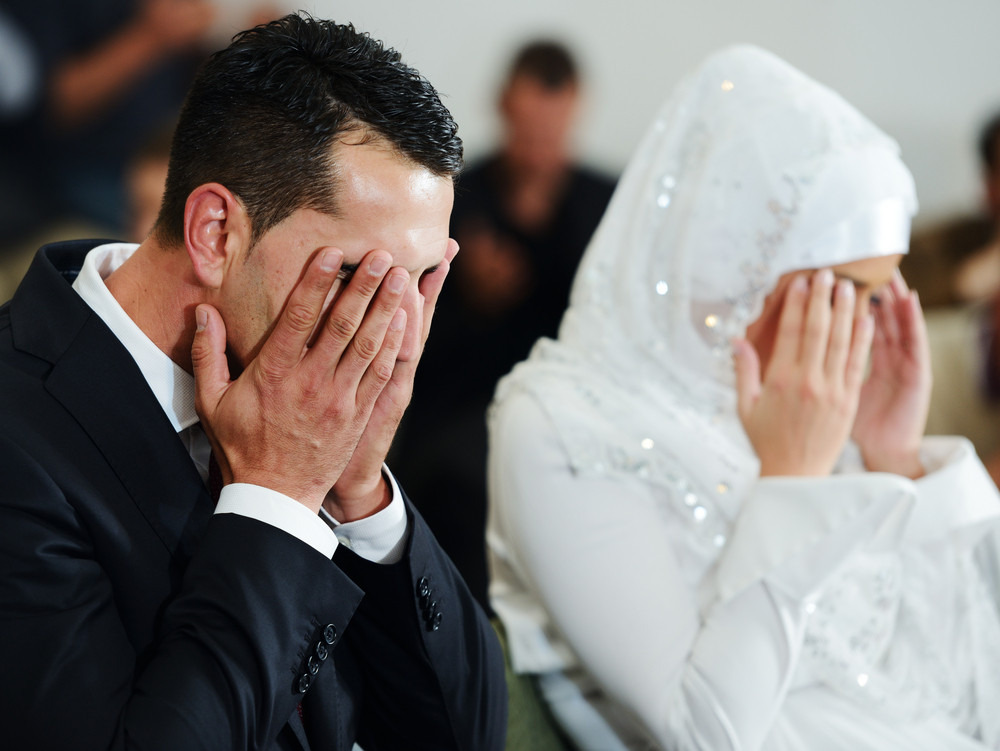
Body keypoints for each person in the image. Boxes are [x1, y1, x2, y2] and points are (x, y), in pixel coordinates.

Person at [0, 14, 506, 751]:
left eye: (423, 281)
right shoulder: (18, 440)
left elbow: (468, 736)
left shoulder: (304, 415)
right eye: (362, 276)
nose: (392, 327)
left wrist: (358, 490)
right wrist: (276, 501)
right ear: (216, 233)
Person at [487, 45, 1000, 750]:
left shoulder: (791, 398)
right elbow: (704, 733)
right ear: (741, 258)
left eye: (878, 294)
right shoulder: (558, 426)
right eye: (844, 290)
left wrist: (895, 457)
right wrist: (792, 482)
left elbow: (950, 678)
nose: (861, 326)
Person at [395, 40, 615, 609]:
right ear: (503, 107)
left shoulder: (605, 206)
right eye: (528, 131)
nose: (538, 149)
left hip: (569, 413)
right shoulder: (452, 199)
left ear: (574, 112)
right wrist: (462, 283)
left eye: (551, 132)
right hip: (458, 412)